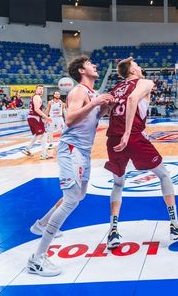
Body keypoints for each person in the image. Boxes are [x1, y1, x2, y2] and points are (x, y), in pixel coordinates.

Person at [27, 56, 114, 277]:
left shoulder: (91, 93)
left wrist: (105, 107)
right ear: (82, 71)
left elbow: (93, 117)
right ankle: (37, 259)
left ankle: (41, 224)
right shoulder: (78, 91)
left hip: (83, 151)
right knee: (71, 199)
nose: (95, 65)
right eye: (90, 64)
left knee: (79, 195)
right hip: (72, 149)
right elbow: (70, 119)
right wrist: (95, 103)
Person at [105, 57, 178, 250]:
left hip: (112, 138)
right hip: (132, 136)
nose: (139, 66)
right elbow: (132, 99)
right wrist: (128, 133)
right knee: (164, 175)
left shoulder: (115, 89)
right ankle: (175, 226)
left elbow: (107, 110)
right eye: (136, 65)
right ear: (132, 71)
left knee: (118, 183)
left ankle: (113, 232)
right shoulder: (144, 82)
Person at [22, 85, 52, 160]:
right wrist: (46, 117)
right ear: (36, 90)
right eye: (39, 88)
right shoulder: (37, 97)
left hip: (34, 117)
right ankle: (42, 154)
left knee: (41, 134)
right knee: (43, 134)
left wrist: (43, 118)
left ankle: (28, 149)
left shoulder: (35, 97)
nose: (41, 90)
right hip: (34, 117)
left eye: (42, 89)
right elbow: (36, 109)